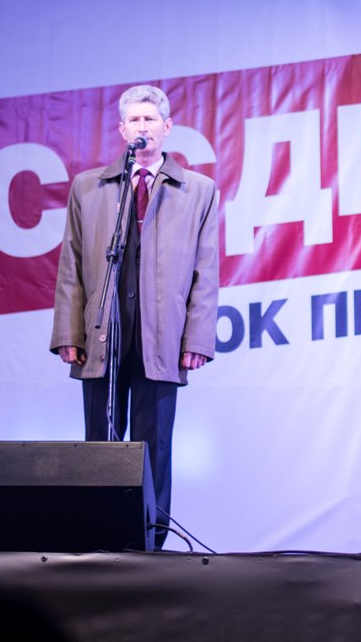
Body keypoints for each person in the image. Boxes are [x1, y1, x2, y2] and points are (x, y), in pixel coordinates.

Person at [50, 85, 219, 550]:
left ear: (167, 128)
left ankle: (151, 545)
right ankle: (100, 539)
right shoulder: (89, 187)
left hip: (162, 335)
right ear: (123, 130)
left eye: (151, 119)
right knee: (100, 443)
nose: (142, 127)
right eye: (135, 120)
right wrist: (69, 331)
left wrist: (196, 339)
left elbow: (206, 271)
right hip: (103, 331)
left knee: (154, 445)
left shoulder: (198, 190)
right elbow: (71, 264)